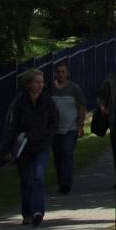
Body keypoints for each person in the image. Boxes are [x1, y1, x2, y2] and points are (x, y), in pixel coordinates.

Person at [4, 69, 58, 226]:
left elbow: (54, 122)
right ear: (29, 84)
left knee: (39, 177)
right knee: (26, 181)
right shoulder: (19, 103)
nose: (40, 85)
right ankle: (27, 212)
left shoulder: (48, 102)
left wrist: (47, 135)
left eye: (42, 82)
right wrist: (8, 147)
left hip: (41, 146)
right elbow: (11, 126)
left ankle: (37, 211)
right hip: (24, 147)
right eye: (37, 82)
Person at [50, 61, 86, 195]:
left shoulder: (74, 88)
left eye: (63, 72)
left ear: (67, 74)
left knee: (67, 152)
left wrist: (80, 125)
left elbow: (82, 105)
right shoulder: (50, 88)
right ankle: (61, 181)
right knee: (58, 156)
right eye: (58, 72)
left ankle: (66, 183)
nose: (60, 74)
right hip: (54, 129)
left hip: (70, 128)